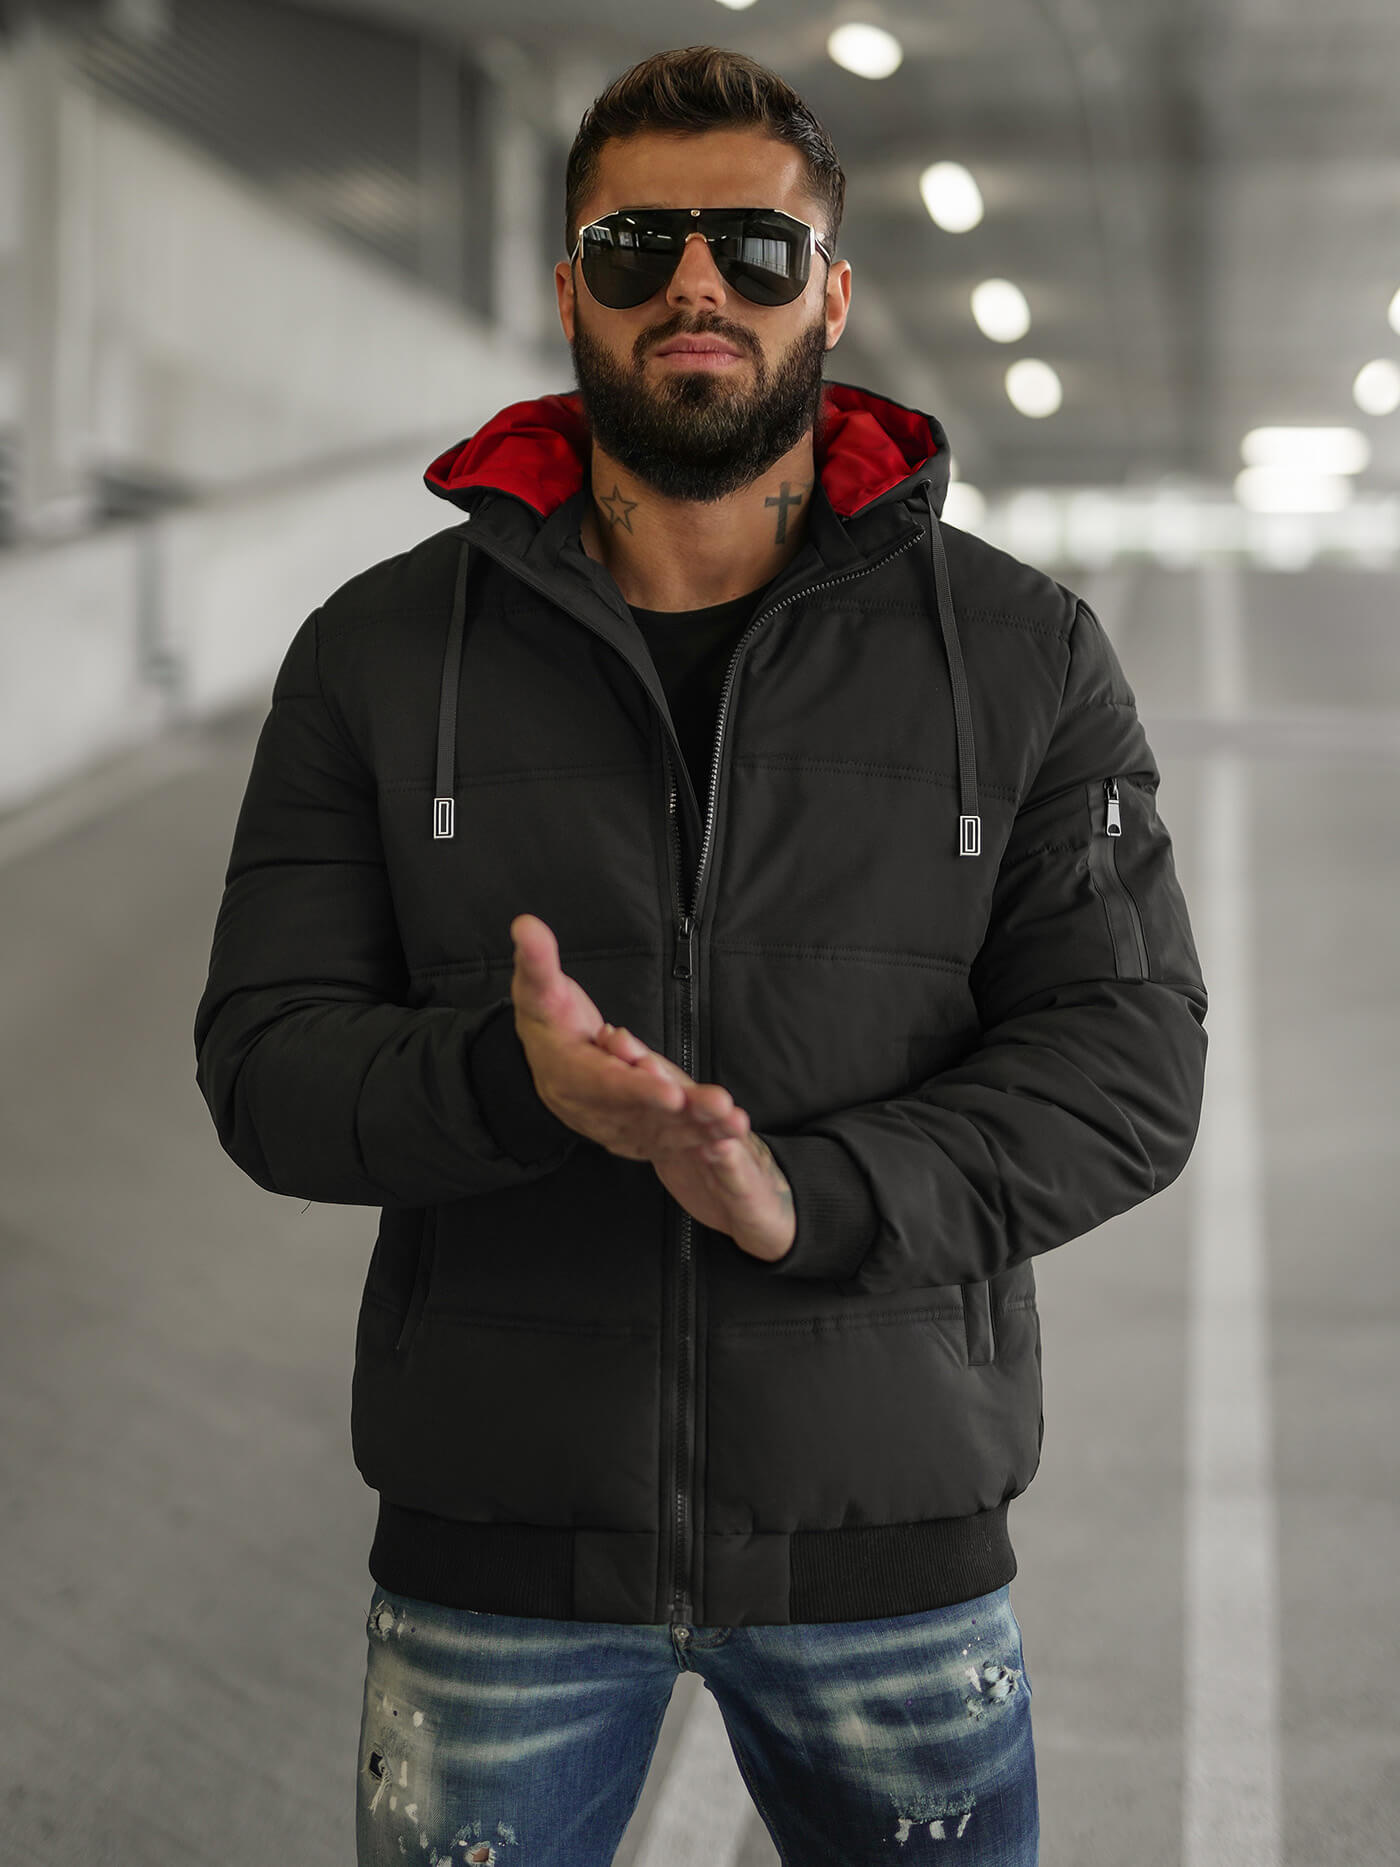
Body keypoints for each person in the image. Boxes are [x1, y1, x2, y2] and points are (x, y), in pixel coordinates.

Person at [192, 43, 1208, 1867]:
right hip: (501, 1543)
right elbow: (264, 1062)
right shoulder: (379, 654)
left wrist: (807, 1196)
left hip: (887, 1533)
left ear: (832, 293)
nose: (694, 286)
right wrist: (509, 1084)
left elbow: (1128, 1065)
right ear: (566, 282)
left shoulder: (1022, 656)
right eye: (637, 243)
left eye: (752, 247)